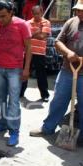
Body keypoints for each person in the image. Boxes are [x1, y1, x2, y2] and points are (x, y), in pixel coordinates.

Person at [30, 0, 83, 146]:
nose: (79, 13)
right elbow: (58, 42)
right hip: (67, 70)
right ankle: (48, 128)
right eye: (78, 10)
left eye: (82, 11)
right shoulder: (71, 22)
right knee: (58, 101)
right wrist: (68, 52)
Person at [0, 0, 32, 146]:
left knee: (13, 101)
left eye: (3, 16)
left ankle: (14, 131)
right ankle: (2, 123)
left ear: (12, 13)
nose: (0, 20)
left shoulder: (22, 25)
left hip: (15, 70)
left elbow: (29, 48)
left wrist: (26, 69)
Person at [20, 5, 51, 102]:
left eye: (39, 13)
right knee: (25, 72)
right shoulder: (27, 23)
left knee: (41, 74)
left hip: (40, 52)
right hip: (27, 51)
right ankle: (20, 92)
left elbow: (43, 36)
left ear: (42, 12)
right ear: (32, 14)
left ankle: (44, 94)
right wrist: (35, 33)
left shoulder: (46, 22)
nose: (37, 15)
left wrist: (32, 35)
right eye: (35, 14)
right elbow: (25, 38)